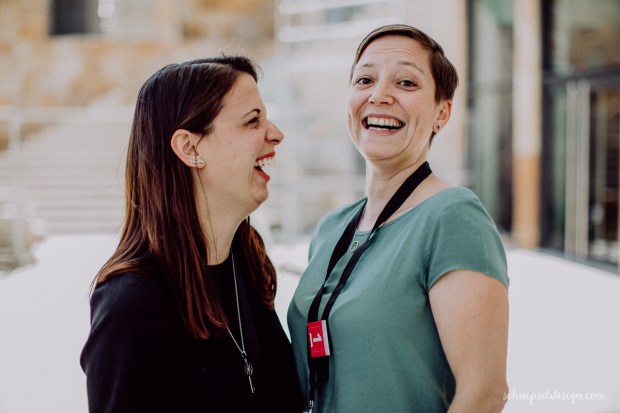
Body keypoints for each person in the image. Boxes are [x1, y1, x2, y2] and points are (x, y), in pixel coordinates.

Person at [287, 24, 509, 413]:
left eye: (406, 82)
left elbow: (484, 394)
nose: (379, 95)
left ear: (442, 113)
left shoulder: (453, 216)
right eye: (365, 80)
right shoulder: (330, 228)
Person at [80, 55, 303, 413]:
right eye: (252, 121)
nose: (276, 133)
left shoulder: (247, 258)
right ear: (190, 148)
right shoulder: (131, 306)